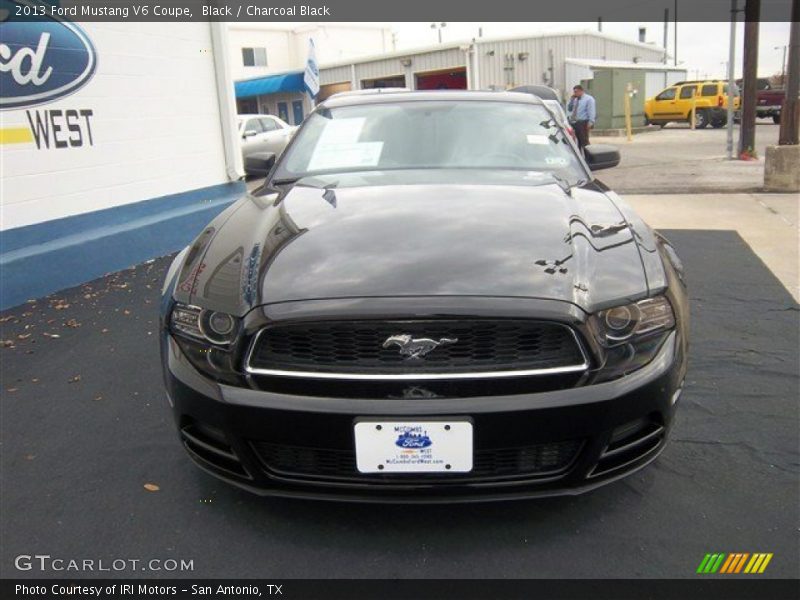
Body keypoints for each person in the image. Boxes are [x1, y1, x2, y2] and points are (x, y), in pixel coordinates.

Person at [566, 85, 596, 153]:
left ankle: (588, 156)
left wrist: (590, 122)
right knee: (576, 142)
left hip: (583, 122)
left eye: (576, 92)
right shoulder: (575, 99)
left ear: (581, 91)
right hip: (574, 122)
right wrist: (571, 100)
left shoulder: (589, 99)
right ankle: (579, 156)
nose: (575, 93)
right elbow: (569, 109)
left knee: (584, 141)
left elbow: (591, 111)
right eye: (574, 92)